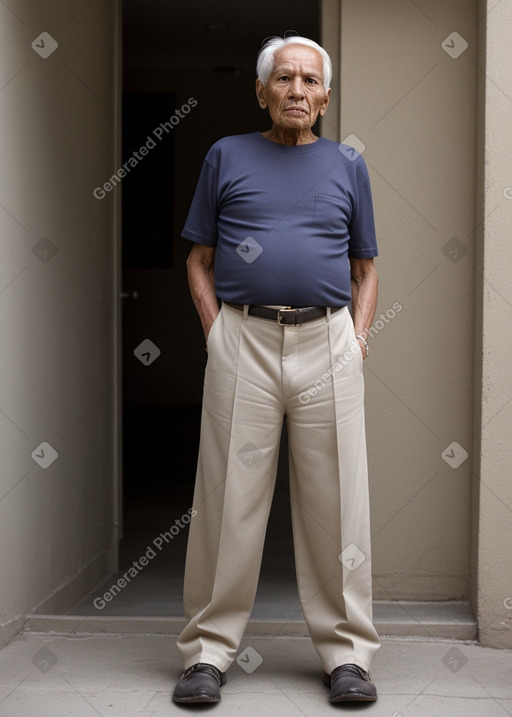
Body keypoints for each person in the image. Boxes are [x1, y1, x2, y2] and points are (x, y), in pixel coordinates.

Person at [172, 32, 381, 705]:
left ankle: (347, 655)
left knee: (339, 504)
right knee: (228, 501)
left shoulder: (348, 164)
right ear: (261, 91)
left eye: (310, 81)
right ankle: (207, 652)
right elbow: (198, 259)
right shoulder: (226, 155)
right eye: (284, 79)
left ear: (325, 96)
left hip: (327, 341)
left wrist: (358, 337)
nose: (298, 91)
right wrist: (216, 335)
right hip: (246, 339)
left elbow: (365, 268)